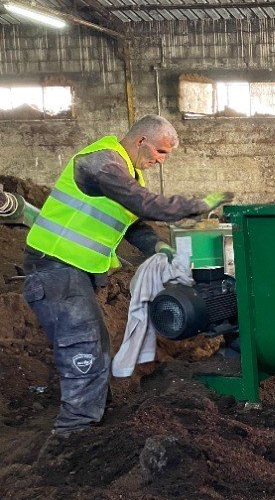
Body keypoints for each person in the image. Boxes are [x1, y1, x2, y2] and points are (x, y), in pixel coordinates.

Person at [22, 115, 234, 436]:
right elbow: (143, 203)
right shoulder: (100, 162)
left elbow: (133, 222)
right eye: (160, 152)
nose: (160, 161)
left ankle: (91, 414)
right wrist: (196, 205)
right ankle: (75, 431)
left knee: (97, 341)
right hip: (55, 265)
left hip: (74, 270)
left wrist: (160, 248)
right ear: (140, 141)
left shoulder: (128, 173)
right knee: (82, 342)